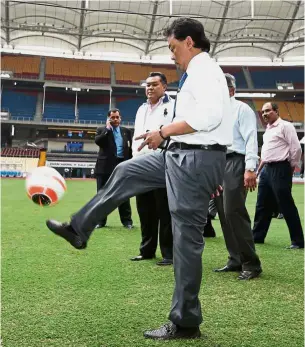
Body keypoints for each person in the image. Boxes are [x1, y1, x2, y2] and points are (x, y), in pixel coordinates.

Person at [46, 18, 233, 340]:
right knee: (127, 170)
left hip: (195, 157)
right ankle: (80, 228)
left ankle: (186, 321)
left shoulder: (206, 71)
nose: (172, 55)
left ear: (189, 42)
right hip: (181, 155)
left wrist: (163, 131)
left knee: (186, 240)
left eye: (173, 47)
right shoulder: (196, 74)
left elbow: (210, 118)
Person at [205, 73, 262, 278]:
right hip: (218, 162)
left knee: (233, 212)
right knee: (223, 213)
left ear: (231, 90)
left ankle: (251, 263)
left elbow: (251, 139)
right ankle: (235, 258)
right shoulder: (215, 112)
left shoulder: (242, 109)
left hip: (236, 161)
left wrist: (250, 168)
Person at [131, 72, 174, 266]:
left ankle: (169, 253)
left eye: (154, 84)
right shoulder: (141, 109)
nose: (149, 88)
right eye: (147, 85)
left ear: (164, 86)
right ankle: (146, 250)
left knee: (164, 210)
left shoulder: (173, 105)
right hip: (141, 163)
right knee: (144, 210)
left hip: (161, 162)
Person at [252, 102, 304, 249]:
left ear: (276, 111)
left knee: (285, 204)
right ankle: (257, 236)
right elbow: (266, 154)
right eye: (262, 112)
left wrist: (290, 166)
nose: (264, 114)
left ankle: (298, 241)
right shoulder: (268, 129)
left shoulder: (285, 126)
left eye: (268, 111)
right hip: (266, 169)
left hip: (281, 168)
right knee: (262, 204)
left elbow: (296, 148)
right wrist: (259, 170)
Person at [94, 109, 133, 229]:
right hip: (105, 167)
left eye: (117, 117)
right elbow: (98, 141)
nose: (115, 119)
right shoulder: (102, 130)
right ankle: (100, 221)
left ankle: (127, 222)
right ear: (108, 119)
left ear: (120, 118)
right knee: (102, 195)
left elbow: (130, 148)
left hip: (122, 165)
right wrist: (107, 129)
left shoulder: (126, 131)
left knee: (124, 194)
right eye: (113, 117)